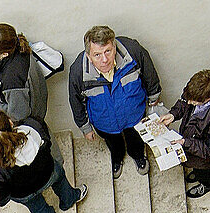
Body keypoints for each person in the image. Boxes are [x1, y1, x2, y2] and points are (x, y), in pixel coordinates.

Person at [68, 25, 161, 179]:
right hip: (105, 123)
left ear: (114, 46)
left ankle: (138, 156)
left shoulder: (133, 52)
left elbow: (150, 74)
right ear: (88, 55)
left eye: (108, 51)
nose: (104, 60)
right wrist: (85, 128)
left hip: (135, 117)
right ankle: (117, 158)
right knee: (114, 145)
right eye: (97, 55)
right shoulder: (78, 72)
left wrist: (154, 98)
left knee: (136, 140)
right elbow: (76, 101)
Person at [0, 108, 87, 213]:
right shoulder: (33, 126)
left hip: (24, 193)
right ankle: (69, 199)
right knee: (60, 180)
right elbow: (48, 144)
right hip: (48, 173)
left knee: (39, 209)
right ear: (10, 121)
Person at [155, 70, 210, 198]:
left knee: (206, 170)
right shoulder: (197, 91)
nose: (189, 103)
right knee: (197, 166)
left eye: (193, 102)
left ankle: (208, 184)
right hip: (194, 140)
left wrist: (185, 142)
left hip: (207, 155)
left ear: (207, 99)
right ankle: (197, 171)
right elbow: (184, 101)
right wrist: (173, 114)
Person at [0, 23, 47, 123]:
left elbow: (19, 114)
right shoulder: (16, 46)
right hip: (34, 98)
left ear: (4, 54)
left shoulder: (12, 79)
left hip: (31, 118)